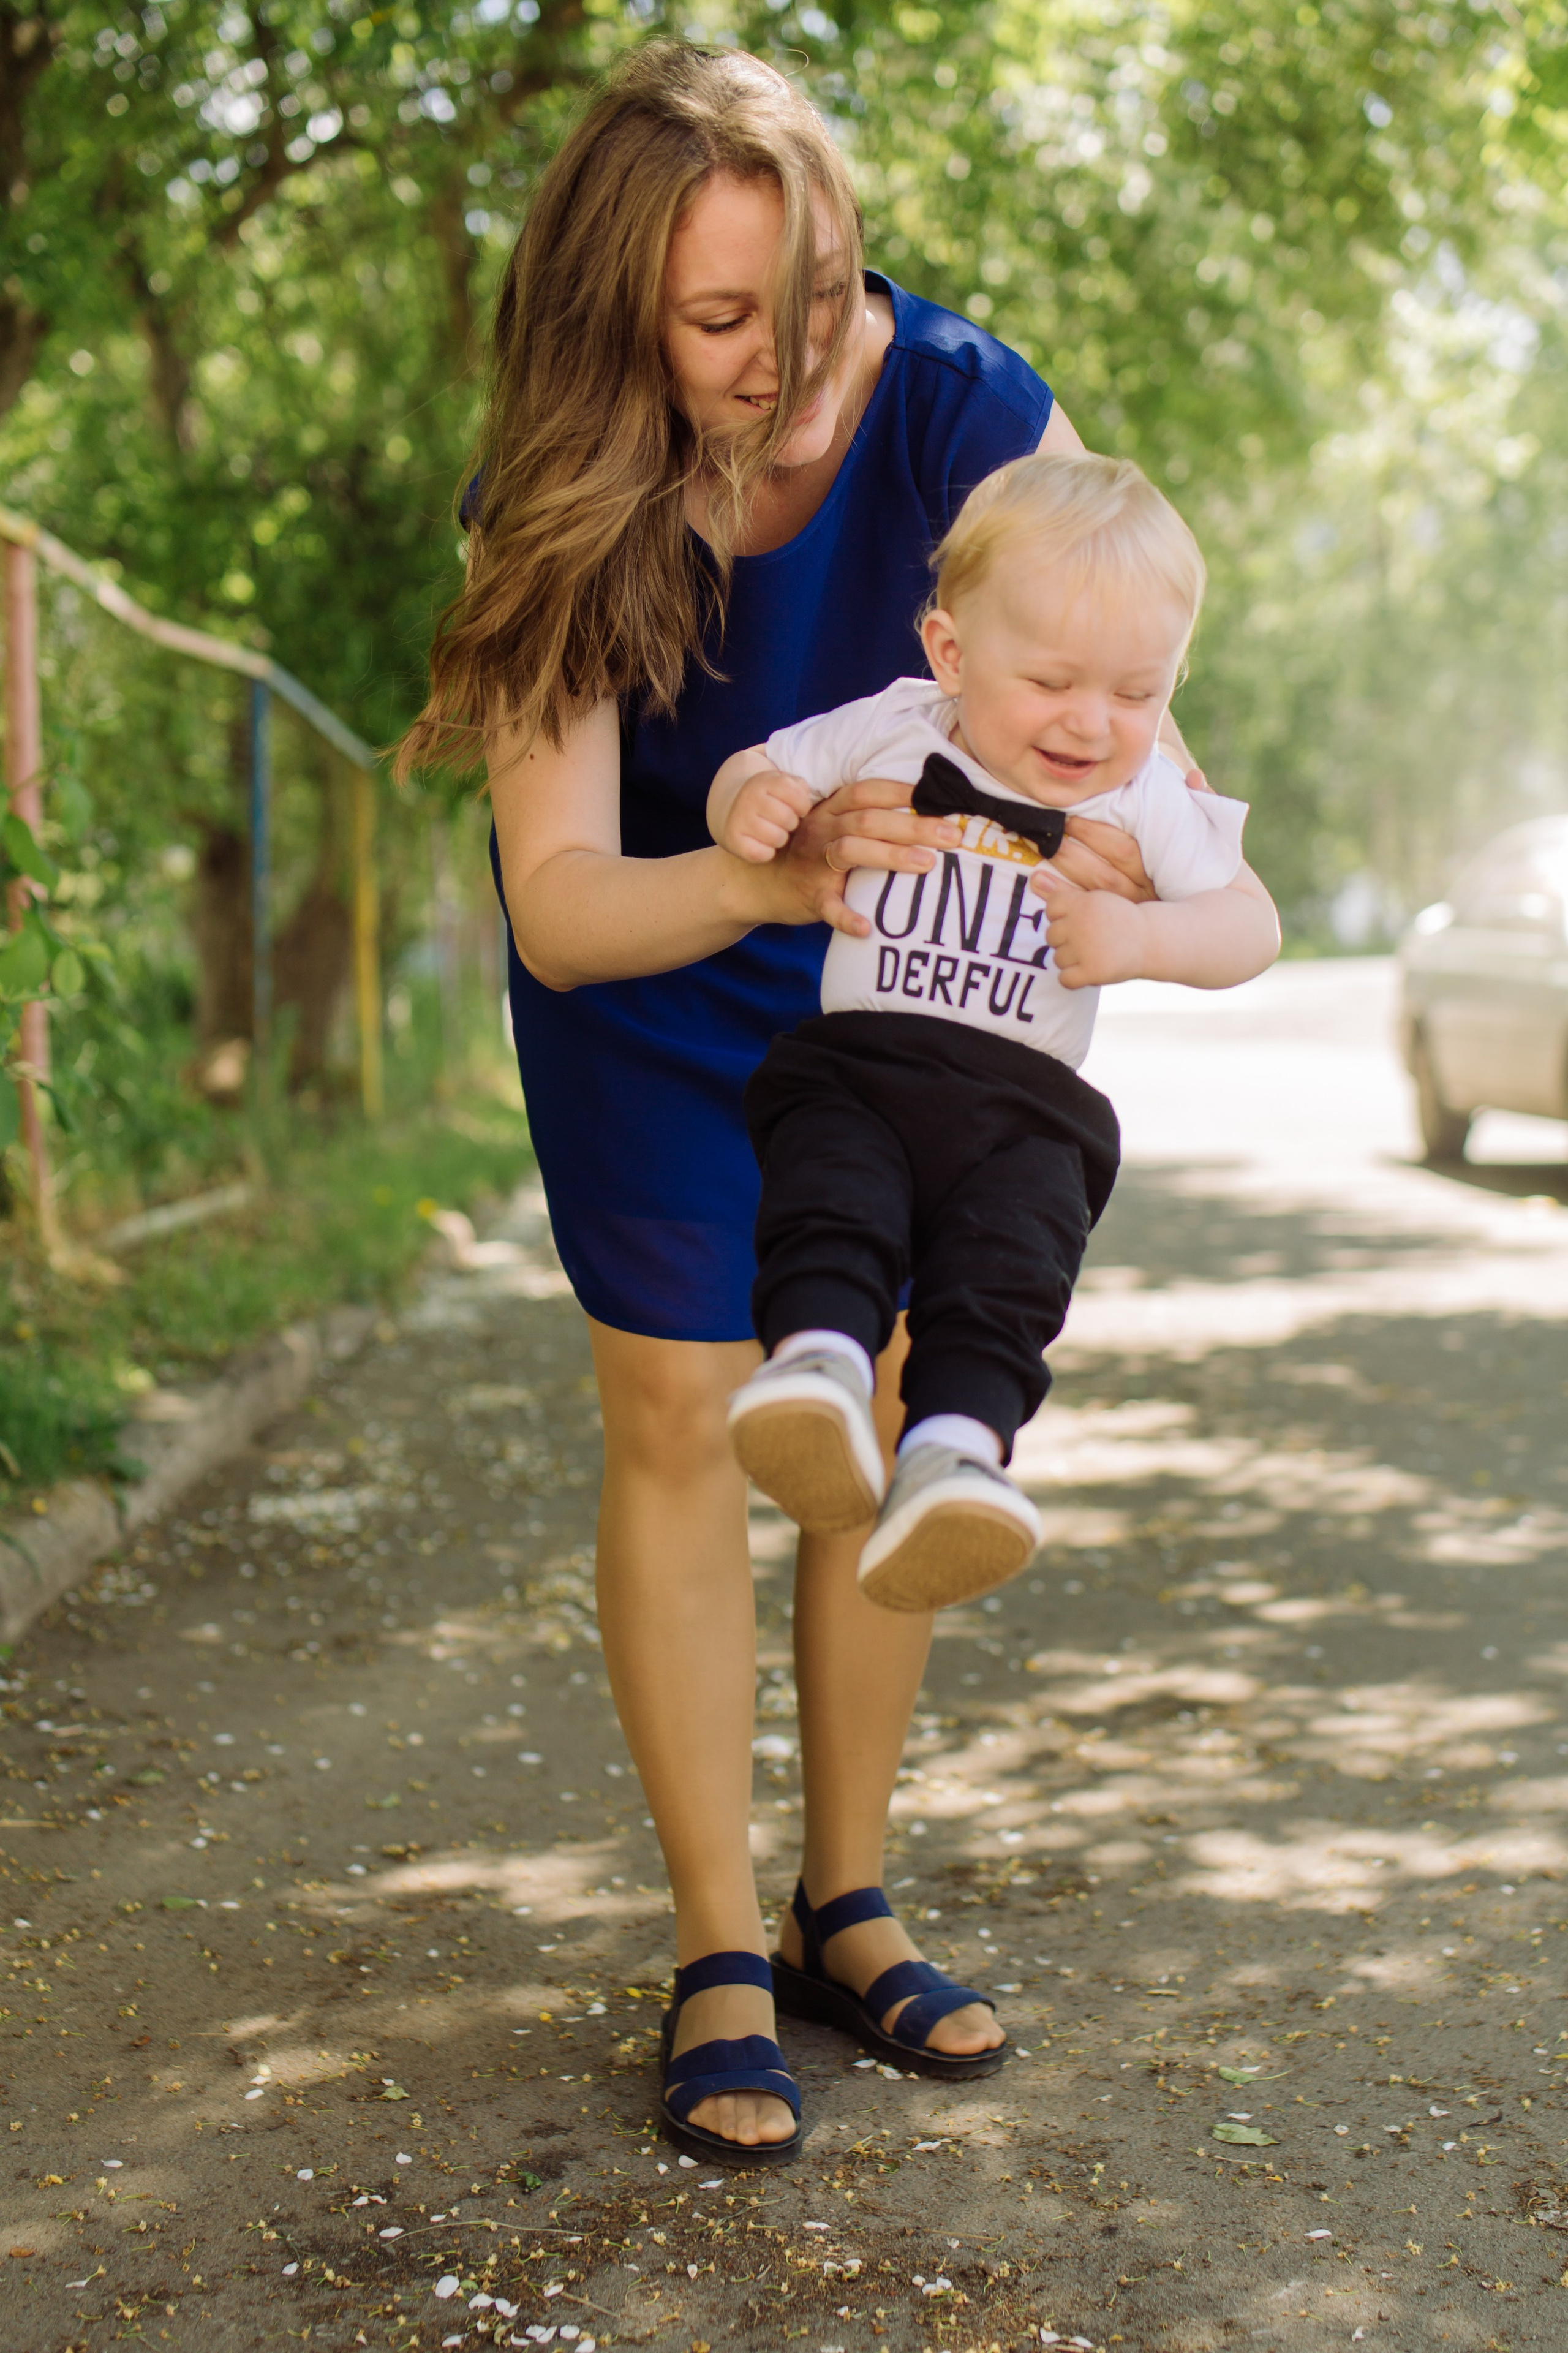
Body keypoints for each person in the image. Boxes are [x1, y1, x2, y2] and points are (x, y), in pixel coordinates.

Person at [400, 41, 1207, 2162]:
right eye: (724, 323)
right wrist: (778, 863)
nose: (788, 362)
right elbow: (565, 906)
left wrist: (1144, 866)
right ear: (622, 323)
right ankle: (713, 1949)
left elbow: (1119, 694)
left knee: (902, 1392)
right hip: (669, 948)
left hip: (904, 965)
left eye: (817, 295)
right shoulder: (561, 495)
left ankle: (846, 1896)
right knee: (683, 1411)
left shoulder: (966, 402)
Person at [715, 451, 1281, 1610]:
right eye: (1056, 681)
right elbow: (759, 765)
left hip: (1021, 1104)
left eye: (1138, 694)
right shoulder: (890, 728)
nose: (1093, 723)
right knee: (831, 1199)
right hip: (863, 1064)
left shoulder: (1139, 797)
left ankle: (955, 1452)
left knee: (1011, 1269)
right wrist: (750, 806)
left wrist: (1139, 940)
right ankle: (817, 1366)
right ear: (952, 653)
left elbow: (1250, 927)